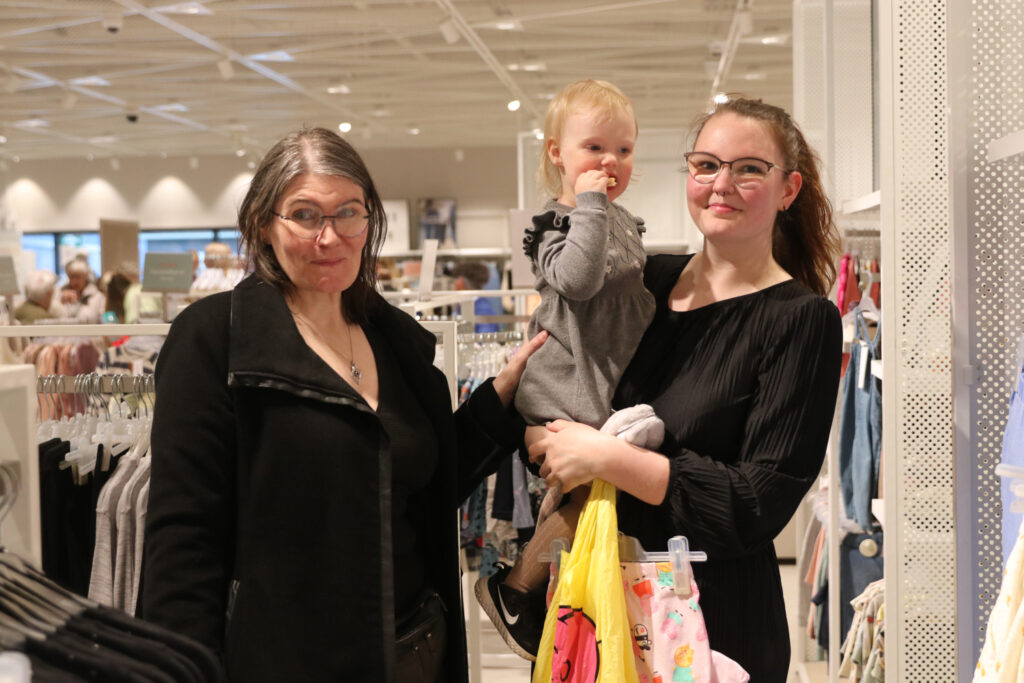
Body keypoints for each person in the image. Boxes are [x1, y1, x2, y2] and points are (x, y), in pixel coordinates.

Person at [139, 126, 546, 682]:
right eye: (305, 215)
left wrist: (497, 401)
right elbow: (184, 542)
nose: (329, 238)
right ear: (263, 224)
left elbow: (418, 491)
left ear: (369, 220)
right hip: (288, 662)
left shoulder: (394, 342)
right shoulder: (216, 340)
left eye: (348, 213)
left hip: (417, 651)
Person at [524, 97, 844, 681]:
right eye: (706, 165)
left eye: (750, 169)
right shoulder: (645, 280)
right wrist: (535, 432)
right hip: (598, 609)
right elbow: (564, 378)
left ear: (789, 189)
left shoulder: (802, 319)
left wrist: (606, 457)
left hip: (710, 626)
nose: (722, 184)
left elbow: (756, 504)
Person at [475, 78, 661, 659]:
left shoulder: (620, 219)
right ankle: (513, 590)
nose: (611, 162)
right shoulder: (555, 225)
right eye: (594, 148)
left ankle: (547, 602)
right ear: (557, 153)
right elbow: (578, 280)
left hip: (601, 387)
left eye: (624, 150)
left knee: (595, 499)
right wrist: (590, 205)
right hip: (564, 388)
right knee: (588, 491)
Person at [450, 261, 500, 333]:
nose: (454, 283)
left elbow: (485, 337)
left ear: (461, 281)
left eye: (456, 279)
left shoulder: (482, 309)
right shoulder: (462, 304)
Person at [59, 256, 105, 322]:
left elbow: (102, 319)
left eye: (78, 277)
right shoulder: (61, 293)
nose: (74, 281)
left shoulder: (97, 296)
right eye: (71, 277)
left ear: (86, 277)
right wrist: (60, 302)